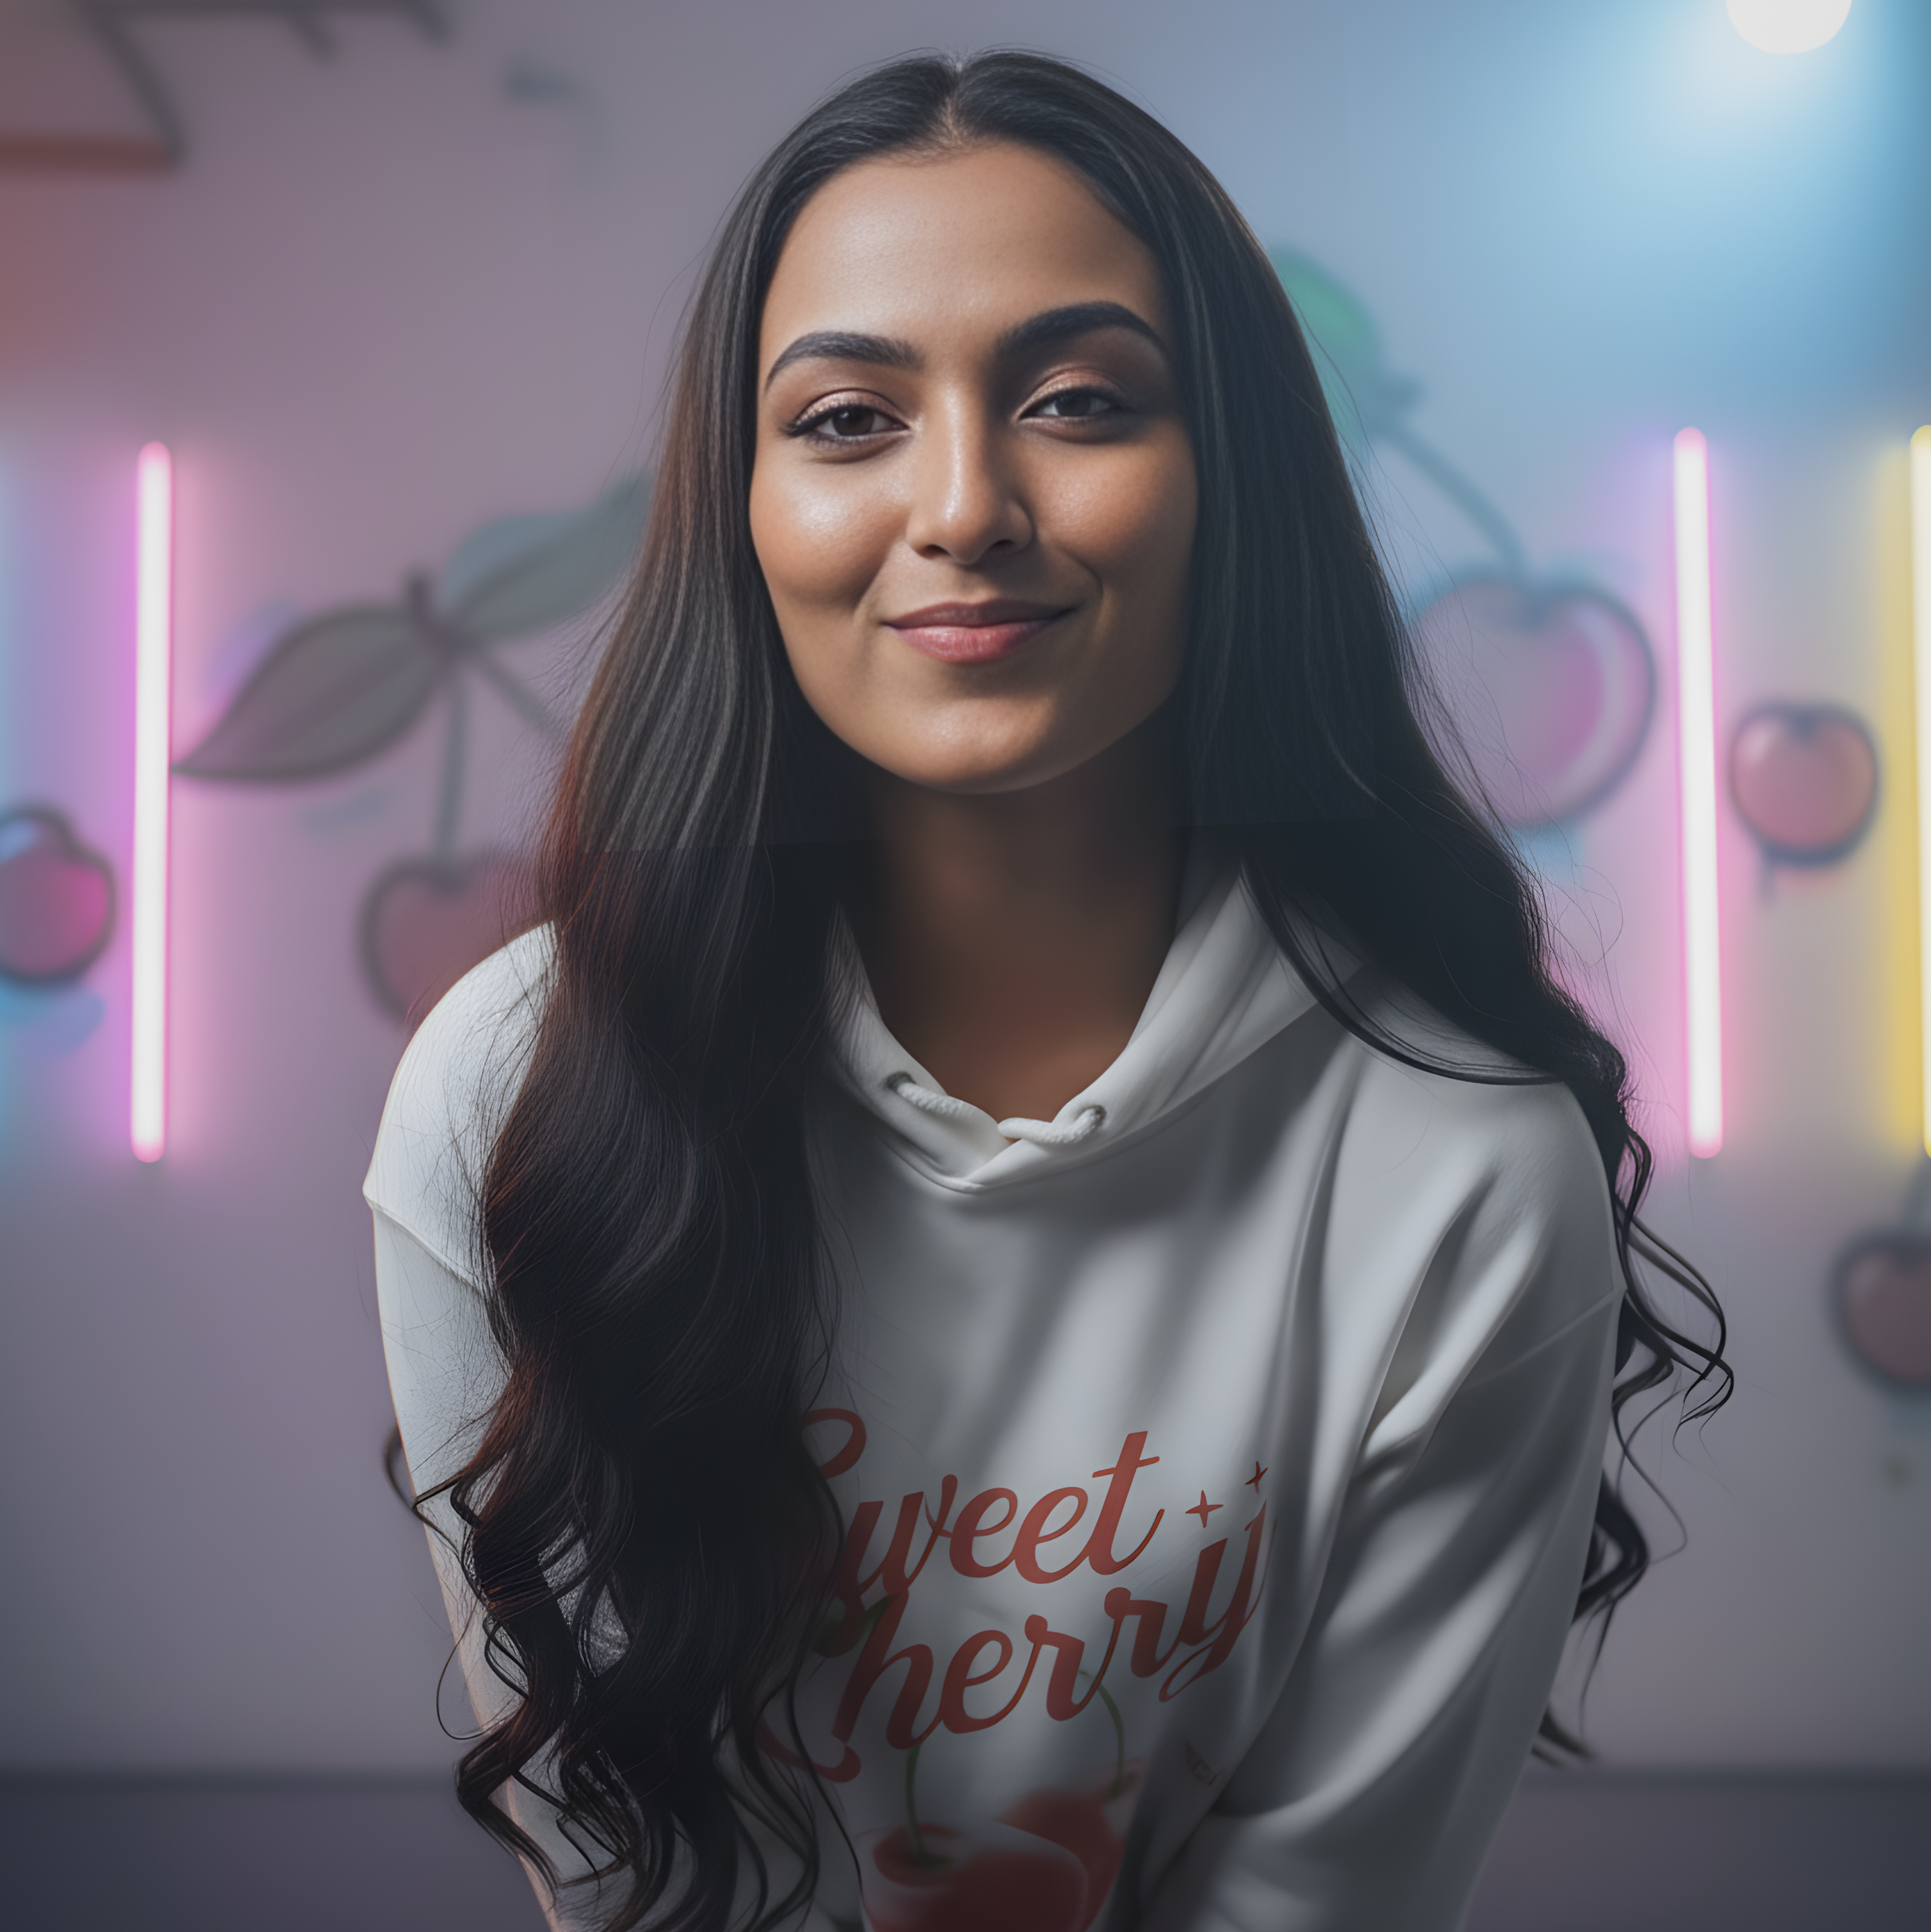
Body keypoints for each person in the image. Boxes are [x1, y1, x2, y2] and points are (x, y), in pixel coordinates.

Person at [365, 50, 1726, 1932]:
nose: (965, 505)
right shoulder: (520, 1093)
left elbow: (1318, 1899)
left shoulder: (1464, 1169)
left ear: (1228, 478)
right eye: (846, 419)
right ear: (743, 511)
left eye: (1081, 400)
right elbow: (624, 1873)